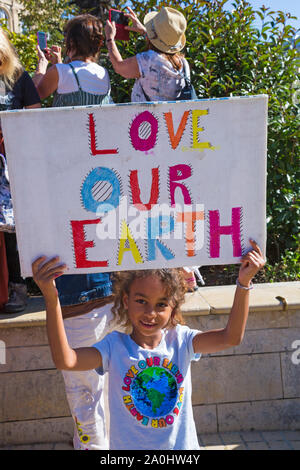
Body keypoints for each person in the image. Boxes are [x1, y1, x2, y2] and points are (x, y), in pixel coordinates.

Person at [32, 239, 265, 450]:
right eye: (141, 301)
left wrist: (244, 283)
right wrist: (52, 299)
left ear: (173, 306)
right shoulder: (113, 347)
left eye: (161, 304)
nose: (150, 313)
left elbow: (230, 338)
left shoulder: (182, 341)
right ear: (126, 300)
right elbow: (67, 360)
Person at [32, 14, 117, 450]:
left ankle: (92, 447)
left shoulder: (61, 72)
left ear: (67, 43)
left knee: (83, 385)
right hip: (95, 179)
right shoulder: (104, 75)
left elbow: (31, 99)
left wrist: (45, 66)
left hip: (64, 178)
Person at [105, 6, 199, 291]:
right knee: (169, 203)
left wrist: (111, 39)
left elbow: (121, 68)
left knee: (146, 203)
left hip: (144, 138)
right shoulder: (182, 64)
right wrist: (144, 30)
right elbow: (162, 55)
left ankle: (163, 265)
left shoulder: (146, 60)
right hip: (171, 140)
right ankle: (185, 269)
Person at [0, 28, 41, 313]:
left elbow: (34, 116)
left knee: (10, 226)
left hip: (10, 161)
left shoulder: (18, 77)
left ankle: (17, 286)